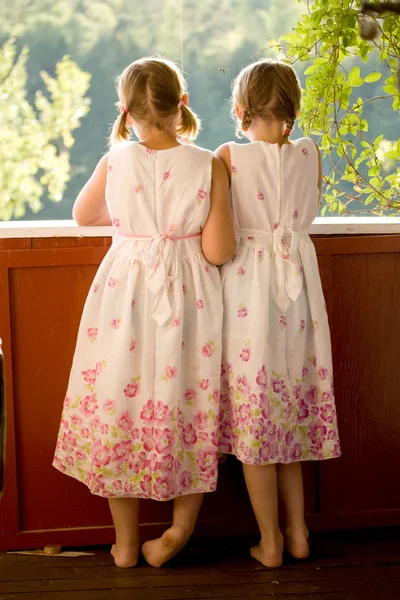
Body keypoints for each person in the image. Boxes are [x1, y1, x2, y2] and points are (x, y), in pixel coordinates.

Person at [53, 56, 235, 569]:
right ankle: (178, 531)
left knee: (120, 399)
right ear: (182, 105)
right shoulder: (209, 164)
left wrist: (135, 219)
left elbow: (84, 216)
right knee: (190, 395)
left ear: (126, 111)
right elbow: (219, 250)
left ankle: (127, 543)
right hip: (188, 294)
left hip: (125, 289)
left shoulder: (116, 160)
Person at [216, 59, 340, 568]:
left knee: (256, 424)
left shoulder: (227, 156)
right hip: (301, 295)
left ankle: (269, 541)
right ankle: (299, 532)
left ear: (240, 109)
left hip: (250, 294)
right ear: (293, 108)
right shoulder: (310, 153)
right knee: (288, 419)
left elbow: (219, 231)